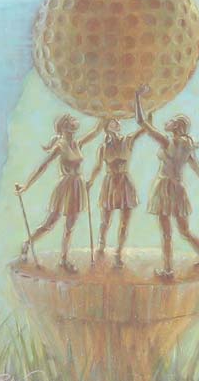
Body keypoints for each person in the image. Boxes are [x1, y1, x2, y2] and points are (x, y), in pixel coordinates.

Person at [133, 87, 199, 279]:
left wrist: (137, 97)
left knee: (167, 233)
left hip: (164, 187)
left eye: (172, 121)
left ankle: (168, 270)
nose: (168, 122)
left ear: (177, 127)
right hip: (178, 189)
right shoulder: (187, 146)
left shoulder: (167, 143)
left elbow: (141, 122)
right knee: (185, 231)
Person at [15, 113, 100, 272]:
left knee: (70, 225)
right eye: (71, 120)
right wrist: (26, 186)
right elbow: (43, 166)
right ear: (64, 126)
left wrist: (106, 116)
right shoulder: (60, 146)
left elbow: (96, 131)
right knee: (51, 222)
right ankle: (27, 243)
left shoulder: (77, 143)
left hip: (77, 185)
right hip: (65, 186)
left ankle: (64, 259)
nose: (76, 122)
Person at [86, 117, 140, 268]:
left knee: (124, 222)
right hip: (110, 183)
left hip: (125, 183)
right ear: (106, 126)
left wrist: (146, 111)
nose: (117, 123)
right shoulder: (103, 147)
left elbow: (144, 128)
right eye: (113, 121)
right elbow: (98, 166)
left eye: (117, 121)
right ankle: (101, 245)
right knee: (105, 220)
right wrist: (90, 181)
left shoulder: (128, 140)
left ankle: (118, 252)